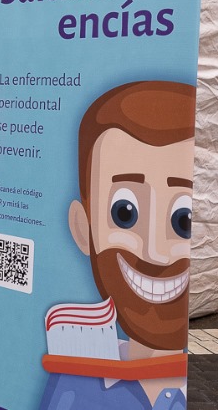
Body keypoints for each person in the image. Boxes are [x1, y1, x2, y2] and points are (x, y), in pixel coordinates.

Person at [39, 81, 195, 410]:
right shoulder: (75, 386)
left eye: (183, 219)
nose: (155, 253)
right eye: (125, 213)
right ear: (83, 228)